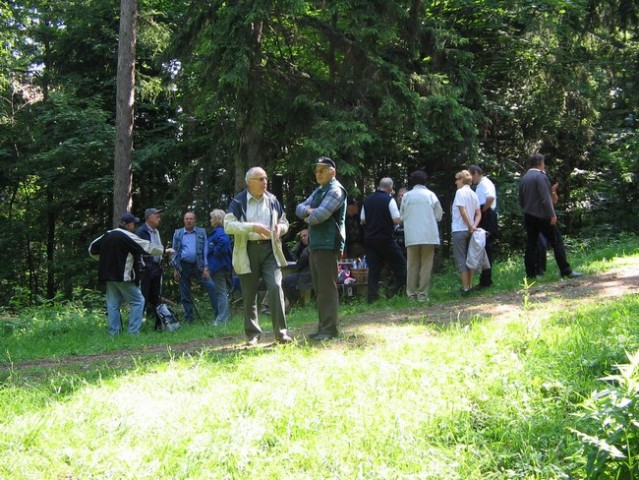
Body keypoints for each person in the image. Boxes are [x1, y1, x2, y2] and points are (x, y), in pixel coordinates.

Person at [224, 167, 292, 345]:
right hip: (248, 250)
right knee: (249, 294)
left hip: (270, 250)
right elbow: (228, 225)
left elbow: (285, 221)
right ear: (249, 182)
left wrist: (280, 228)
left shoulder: (272, 199)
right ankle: (253, 335)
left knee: (276, 288)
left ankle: (281, 333)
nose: (265, 182)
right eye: (260, 179)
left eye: (265, 178)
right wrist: (252, 227)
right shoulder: (239, 202)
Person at [89, 212, 173, 335]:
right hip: (123, 276)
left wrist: (103, 259)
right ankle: (133, 332)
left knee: (112, 304)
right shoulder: (127, 236)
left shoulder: (106, 235)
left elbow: (91, 249)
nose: (134, 226)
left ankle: (114, 333)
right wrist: (164, 250)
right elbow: (147, 247)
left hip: (108, 276)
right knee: (138, 301)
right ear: (128, 225)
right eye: (133, 223)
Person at [295, 156, 347, 340]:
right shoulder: (320, 190)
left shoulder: (335, 191)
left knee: (327, 288)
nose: (318, 174)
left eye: (322, 170)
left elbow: (321, 215)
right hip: (316, 244)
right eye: (316, 171)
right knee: (319, 288)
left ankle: (329, 330)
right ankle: (323, 327)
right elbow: (299, 208)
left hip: (328, 244)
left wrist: (309, 213)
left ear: (332, 172)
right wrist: (310, 212)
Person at [518, 153, 582, 279]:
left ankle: (530, 274)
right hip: (542, 215)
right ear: (540, 163)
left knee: (531, 244)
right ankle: (566, 270)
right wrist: (552, 214)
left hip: (528, 215)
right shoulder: (540, 177)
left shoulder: (525, 178)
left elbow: (521, 198)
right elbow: (546, 198)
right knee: (557, 241)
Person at [361, 177, 407, 303]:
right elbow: (397, 219)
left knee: (374, 269)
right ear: (390, 187)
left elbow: (363, 220)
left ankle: (372, 298)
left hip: (370, 240)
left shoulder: (367, 200)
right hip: (386, 239)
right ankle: (402, 292)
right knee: (401, 264)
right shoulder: (389, 200)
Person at [400, 170, 443, 302]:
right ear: (425, 181)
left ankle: (411, 295)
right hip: (428, 235)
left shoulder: (407, 196)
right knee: (426, 265)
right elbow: (439, 216)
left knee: (412, 265)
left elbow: (401, 216)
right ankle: (423, 295)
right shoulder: (431, 195)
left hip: (412, 235)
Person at [171, 211, 218, 324]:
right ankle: (189, 319)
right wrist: (175, 269)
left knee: (211, 286)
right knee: (185, 293)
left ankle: (218, 316)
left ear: (194, 220)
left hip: (199, 265)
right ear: (184, 220)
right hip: (183, 266)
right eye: (187, 219)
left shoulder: (201, 232)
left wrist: (206, 267)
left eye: (191, 219)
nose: (189, 221)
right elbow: (174, 252)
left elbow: (205, 250)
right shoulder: (178, 233)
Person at [451, 170, 481, 295]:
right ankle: (470, 285)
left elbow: (462, 211)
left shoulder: (460, 192)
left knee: (461, 258)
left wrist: (469, 225)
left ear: (462, 180)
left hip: (459, 229)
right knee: (470, 258)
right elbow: (478, 213)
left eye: (457, 179)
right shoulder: (474, 194)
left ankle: (465, 288)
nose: (456, 182)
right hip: (471, 230)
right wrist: (473, 226)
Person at [135, 208, 165, 331]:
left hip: (157, 268)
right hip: (146, 269)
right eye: (156, 216)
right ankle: (137, 326)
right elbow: (137, 249)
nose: (159, 218)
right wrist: (141, 266)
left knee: (156, 297)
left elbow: (158, 248)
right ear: (149, 217)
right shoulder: (141, 231)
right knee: (143, 296)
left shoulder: (156, 232)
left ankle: (159, 325)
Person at [469, 165, 498, 288]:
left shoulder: (485, 183)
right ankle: (485, 279)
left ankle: (486, 280)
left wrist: (483, 211)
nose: (470, 179)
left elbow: (490, 197)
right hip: (485, 214)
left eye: (471, 175)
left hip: (487, 215)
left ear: (476, 173)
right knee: (483, 247)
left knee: (486, 247)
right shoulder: (480, 184)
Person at [207, 209, 233, 326]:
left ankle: (222, 319)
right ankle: (224, 316)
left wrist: (216, 252)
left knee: (221, 292)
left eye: (212, 218)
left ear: (217, 219)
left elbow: (224, 242)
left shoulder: (219, 232)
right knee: (221, 291)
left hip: (218, 267)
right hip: (218, 266)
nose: (210, 220)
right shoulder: (219, 231)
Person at [282, 228, 312, 305]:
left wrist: (298, 263)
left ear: (310, 235)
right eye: (301, 237)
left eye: (305, 236)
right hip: (310, 275)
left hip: (307, 275)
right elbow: (293, 254)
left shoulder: (309, 248)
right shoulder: (302, 246)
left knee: (284, 281)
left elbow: (300, 264)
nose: (303, 238)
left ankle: (295, 304)